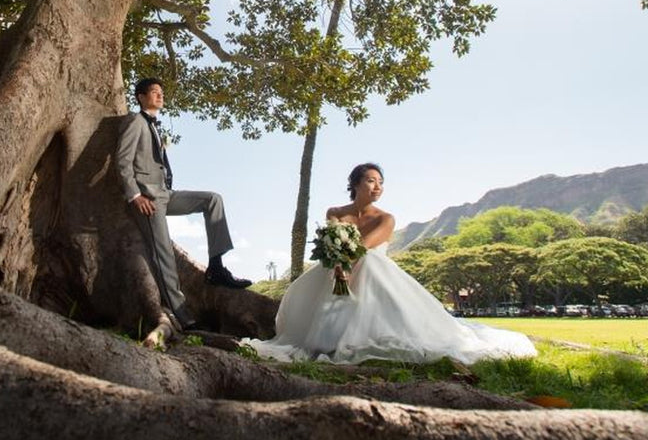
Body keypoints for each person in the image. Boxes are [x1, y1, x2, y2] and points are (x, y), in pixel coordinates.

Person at [244, 163, 537, 364]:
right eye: (371, 180)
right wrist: (336, 263)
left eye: (381, 183)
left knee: (369, 263)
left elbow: (361, 248)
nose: (377, 187)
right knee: (322, 278)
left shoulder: (386, 219)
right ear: (355, 184)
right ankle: (322, 338)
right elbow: (333, 240)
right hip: (336, 269)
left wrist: (343, 262)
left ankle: (357, 334)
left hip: (368, 270)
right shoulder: (335, 211)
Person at [116, 77, 251, 331]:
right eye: (154, 92)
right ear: (141, 97)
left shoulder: (156, 126)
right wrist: (135, 196)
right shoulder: (135, 121)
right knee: (163, 252)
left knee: (213, 199)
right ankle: (181, 313)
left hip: (167, 193)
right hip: (149, 200)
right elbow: (122, 161)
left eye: (161, 92)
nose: (160, 96)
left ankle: (216, 267)